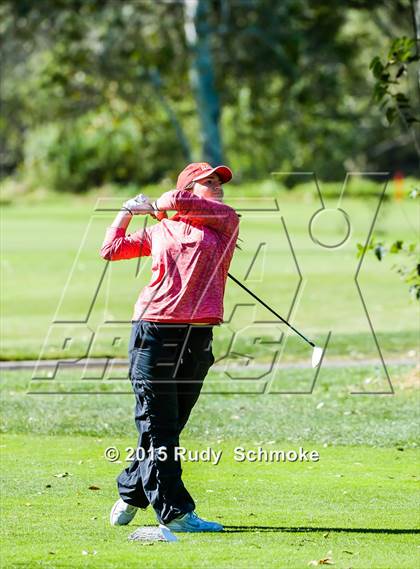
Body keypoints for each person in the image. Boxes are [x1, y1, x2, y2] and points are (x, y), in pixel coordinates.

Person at [100, 162, 239, 532]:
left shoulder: (225, 220)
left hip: (197, 337)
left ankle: (132, 490)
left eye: (217, 181)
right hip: (154, 332)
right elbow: (111, 249)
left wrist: (162, 205)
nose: (217, 186)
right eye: (207, 182)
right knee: (159, 425)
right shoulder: (162, 230)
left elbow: (173, 199)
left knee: (169, 424)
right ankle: (176, 512)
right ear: (191, 188)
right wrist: (128, 211)